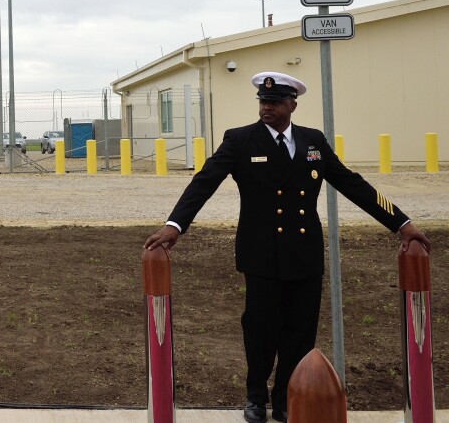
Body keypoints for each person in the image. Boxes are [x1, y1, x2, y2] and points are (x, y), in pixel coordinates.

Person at [143, 71, 431, 423]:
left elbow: (353, 184)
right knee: (260, 330)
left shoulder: (313, 142)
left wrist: (402, 224)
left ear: (292, 104)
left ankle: (285, 400)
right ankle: (255, 398)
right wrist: (175, 226)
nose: (268, 108)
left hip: (304, 254)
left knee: (299, 333)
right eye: (264, 102)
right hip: (260, 254)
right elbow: (204, 182)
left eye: (276, 103)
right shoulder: (240, 140)